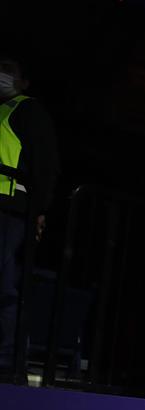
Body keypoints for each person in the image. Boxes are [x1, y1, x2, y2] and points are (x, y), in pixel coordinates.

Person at [0, 57, 59, 373]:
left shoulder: (28, 110)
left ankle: (8, 362)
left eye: (9, 71)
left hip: (10, 208)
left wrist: (38, 210)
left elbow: (45, 165)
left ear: (24, 82)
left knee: (5, 288)